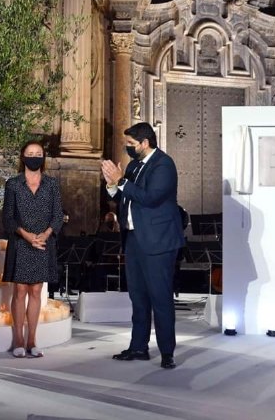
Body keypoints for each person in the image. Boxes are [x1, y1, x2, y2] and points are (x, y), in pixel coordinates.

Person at [101, 122, 185, 369]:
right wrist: (111, 185)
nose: (127, 148)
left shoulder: (164, 165)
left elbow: (150, 198)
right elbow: (125, 196)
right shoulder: (134, 165)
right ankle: (138, 347)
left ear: (145, 143)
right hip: (134, 238)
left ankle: (167, 351)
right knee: (138, 297)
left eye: (130, 144)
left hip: (158, 240)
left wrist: (122, 182)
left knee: (160, 297)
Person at [2, 141, 63, 358]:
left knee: (37, 290)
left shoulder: (52, 184)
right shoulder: (13, 184)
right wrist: (27, 236)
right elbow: (7, 218)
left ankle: (32, 340)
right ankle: (18, 339)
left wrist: (44, 235)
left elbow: (57, 216)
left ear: (43, 157)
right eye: (30, 153)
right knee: (20, 291)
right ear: (23, 157)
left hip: (43, 243)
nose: (34, 156)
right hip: (21, 242)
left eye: (38, 154)